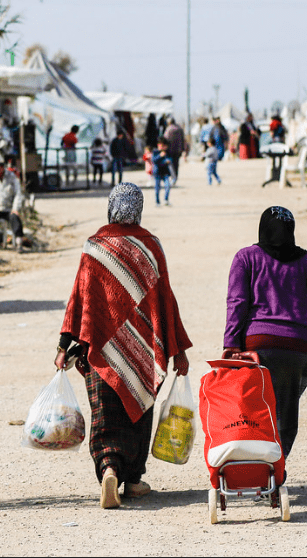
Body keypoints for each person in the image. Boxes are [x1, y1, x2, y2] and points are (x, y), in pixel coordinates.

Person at [55, 183, 192, 509]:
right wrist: (178, 350)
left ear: (111, 207)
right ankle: (132, 480)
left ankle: (109, 471)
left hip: (100, 351)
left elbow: (80, 299)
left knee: (105, 417)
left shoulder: (95, 247)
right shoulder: (151, 247)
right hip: (144, 354)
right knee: (138, 415)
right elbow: (165, 300)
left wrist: (64, 345)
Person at [223, 206, 307, 457]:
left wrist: (231, 342)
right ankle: (276, 468)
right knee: (285, 412)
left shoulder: (246, 258)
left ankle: (255, 468)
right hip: (296, 349)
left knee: (254, 409)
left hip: (256, 346)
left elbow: (237, 302)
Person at [162, 117, 185, 184]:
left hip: (170, 149)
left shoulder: (169, 129)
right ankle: (175, 177)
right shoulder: (180, 129)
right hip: (178, 149)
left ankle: (172, 177)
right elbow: (183, 139)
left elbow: (165, 139)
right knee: (176, 164)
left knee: (170, 164)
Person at [151, 137, 173, 206]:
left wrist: (168, 161)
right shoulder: (155, 152)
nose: (163, 147)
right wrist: (160, 156)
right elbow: (154, 161)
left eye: (164, 146)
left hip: (165, 172)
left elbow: (170, 160)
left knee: (167, 186)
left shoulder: (168, 152)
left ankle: (166, 199)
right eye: (161, 145)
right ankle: (157, 201)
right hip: (157, 173)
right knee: (157, 188)